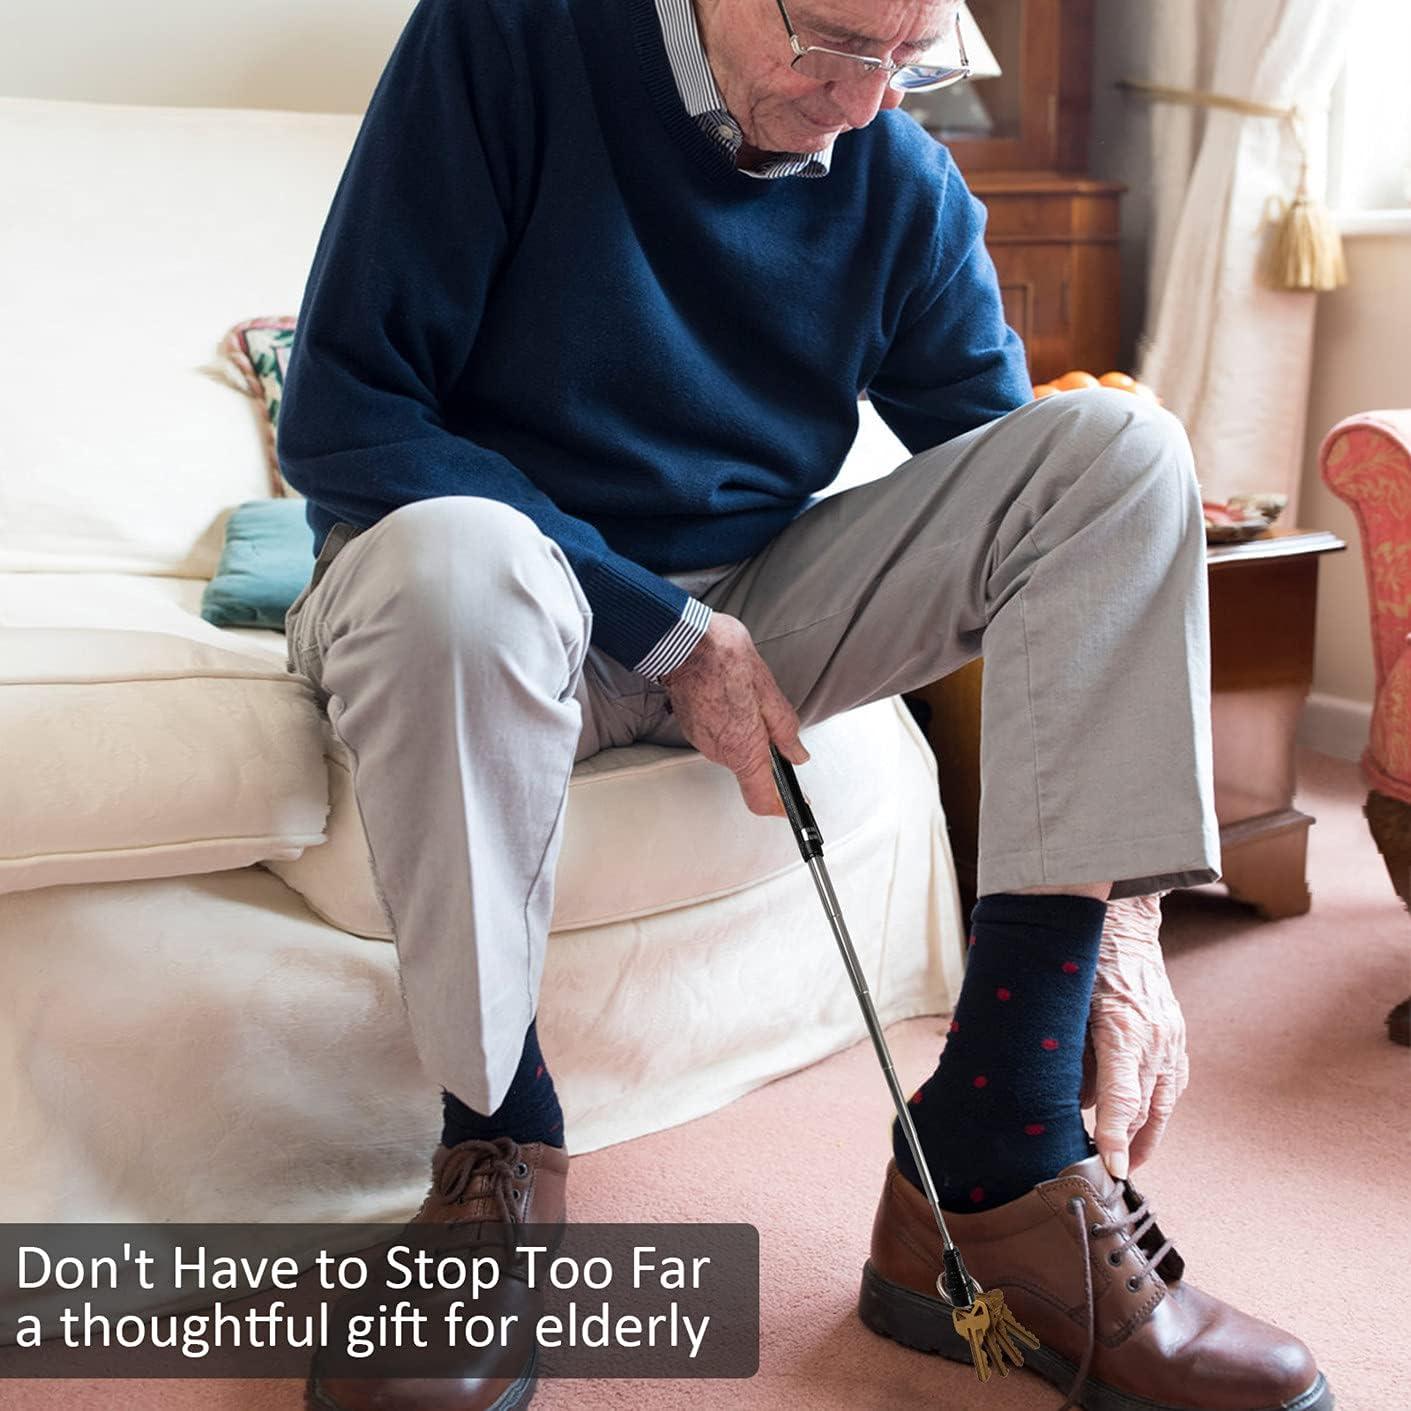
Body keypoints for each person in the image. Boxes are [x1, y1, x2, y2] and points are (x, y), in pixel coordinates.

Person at [278, 1, 1332, 1408]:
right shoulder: (509, 38)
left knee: (1118, 450)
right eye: (838, 44)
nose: (867, 104)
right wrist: (667, 631)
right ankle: (495, 1153)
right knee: (464, 564)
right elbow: (347, 413)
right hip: (482, 593)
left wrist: (1126, 921)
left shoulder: (893, 165)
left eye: (913, 61)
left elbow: (1042, 517)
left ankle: (997, 1161)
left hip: (755, 607)